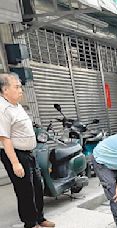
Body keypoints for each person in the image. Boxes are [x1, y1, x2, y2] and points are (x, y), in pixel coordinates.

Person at [0, 73, 55, 228]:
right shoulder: (2, 109)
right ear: (5, 90)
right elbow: (5, 139)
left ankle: (40, 218)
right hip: (16, 155)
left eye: (20, 86)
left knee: (38, 186)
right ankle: (30, 223)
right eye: (16, 87)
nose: (20, 89)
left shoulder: (16, 106)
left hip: (29, 153)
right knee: (25, 191)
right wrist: (15, 163)